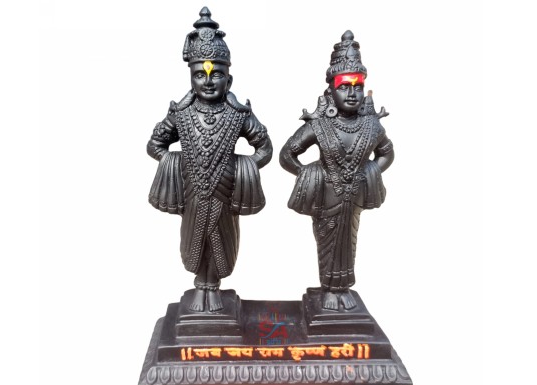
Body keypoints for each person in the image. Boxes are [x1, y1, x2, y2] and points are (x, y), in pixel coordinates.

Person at [147, 8, 272, 312]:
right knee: (195, 240)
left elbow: (265, 148)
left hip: (225, 192)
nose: (207, 81)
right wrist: (175, 164)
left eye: (216, 74)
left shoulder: (238, 114)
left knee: (220, 240)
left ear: (229, 79)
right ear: (190, 77)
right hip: (192, 192)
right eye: (199, 74)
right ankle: (200, 286)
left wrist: (243, 169)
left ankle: (213, 286)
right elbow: (155, 144)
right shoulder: (181, 113)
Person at [280, 31, 393, 311]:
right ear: (331, 92)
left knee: (349, 241)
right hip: (326, 196)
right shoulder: (319, 126)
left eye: (358, 87)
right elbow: (287, 154)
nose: (352, 93)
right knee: (328, 241)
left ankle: (343, 289)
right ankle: (329, 289)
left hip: (354, 196)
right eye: (344, 87)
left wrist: (370, 172)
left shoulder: (371, 126)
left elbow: (387, 153)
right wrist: (311, 176)